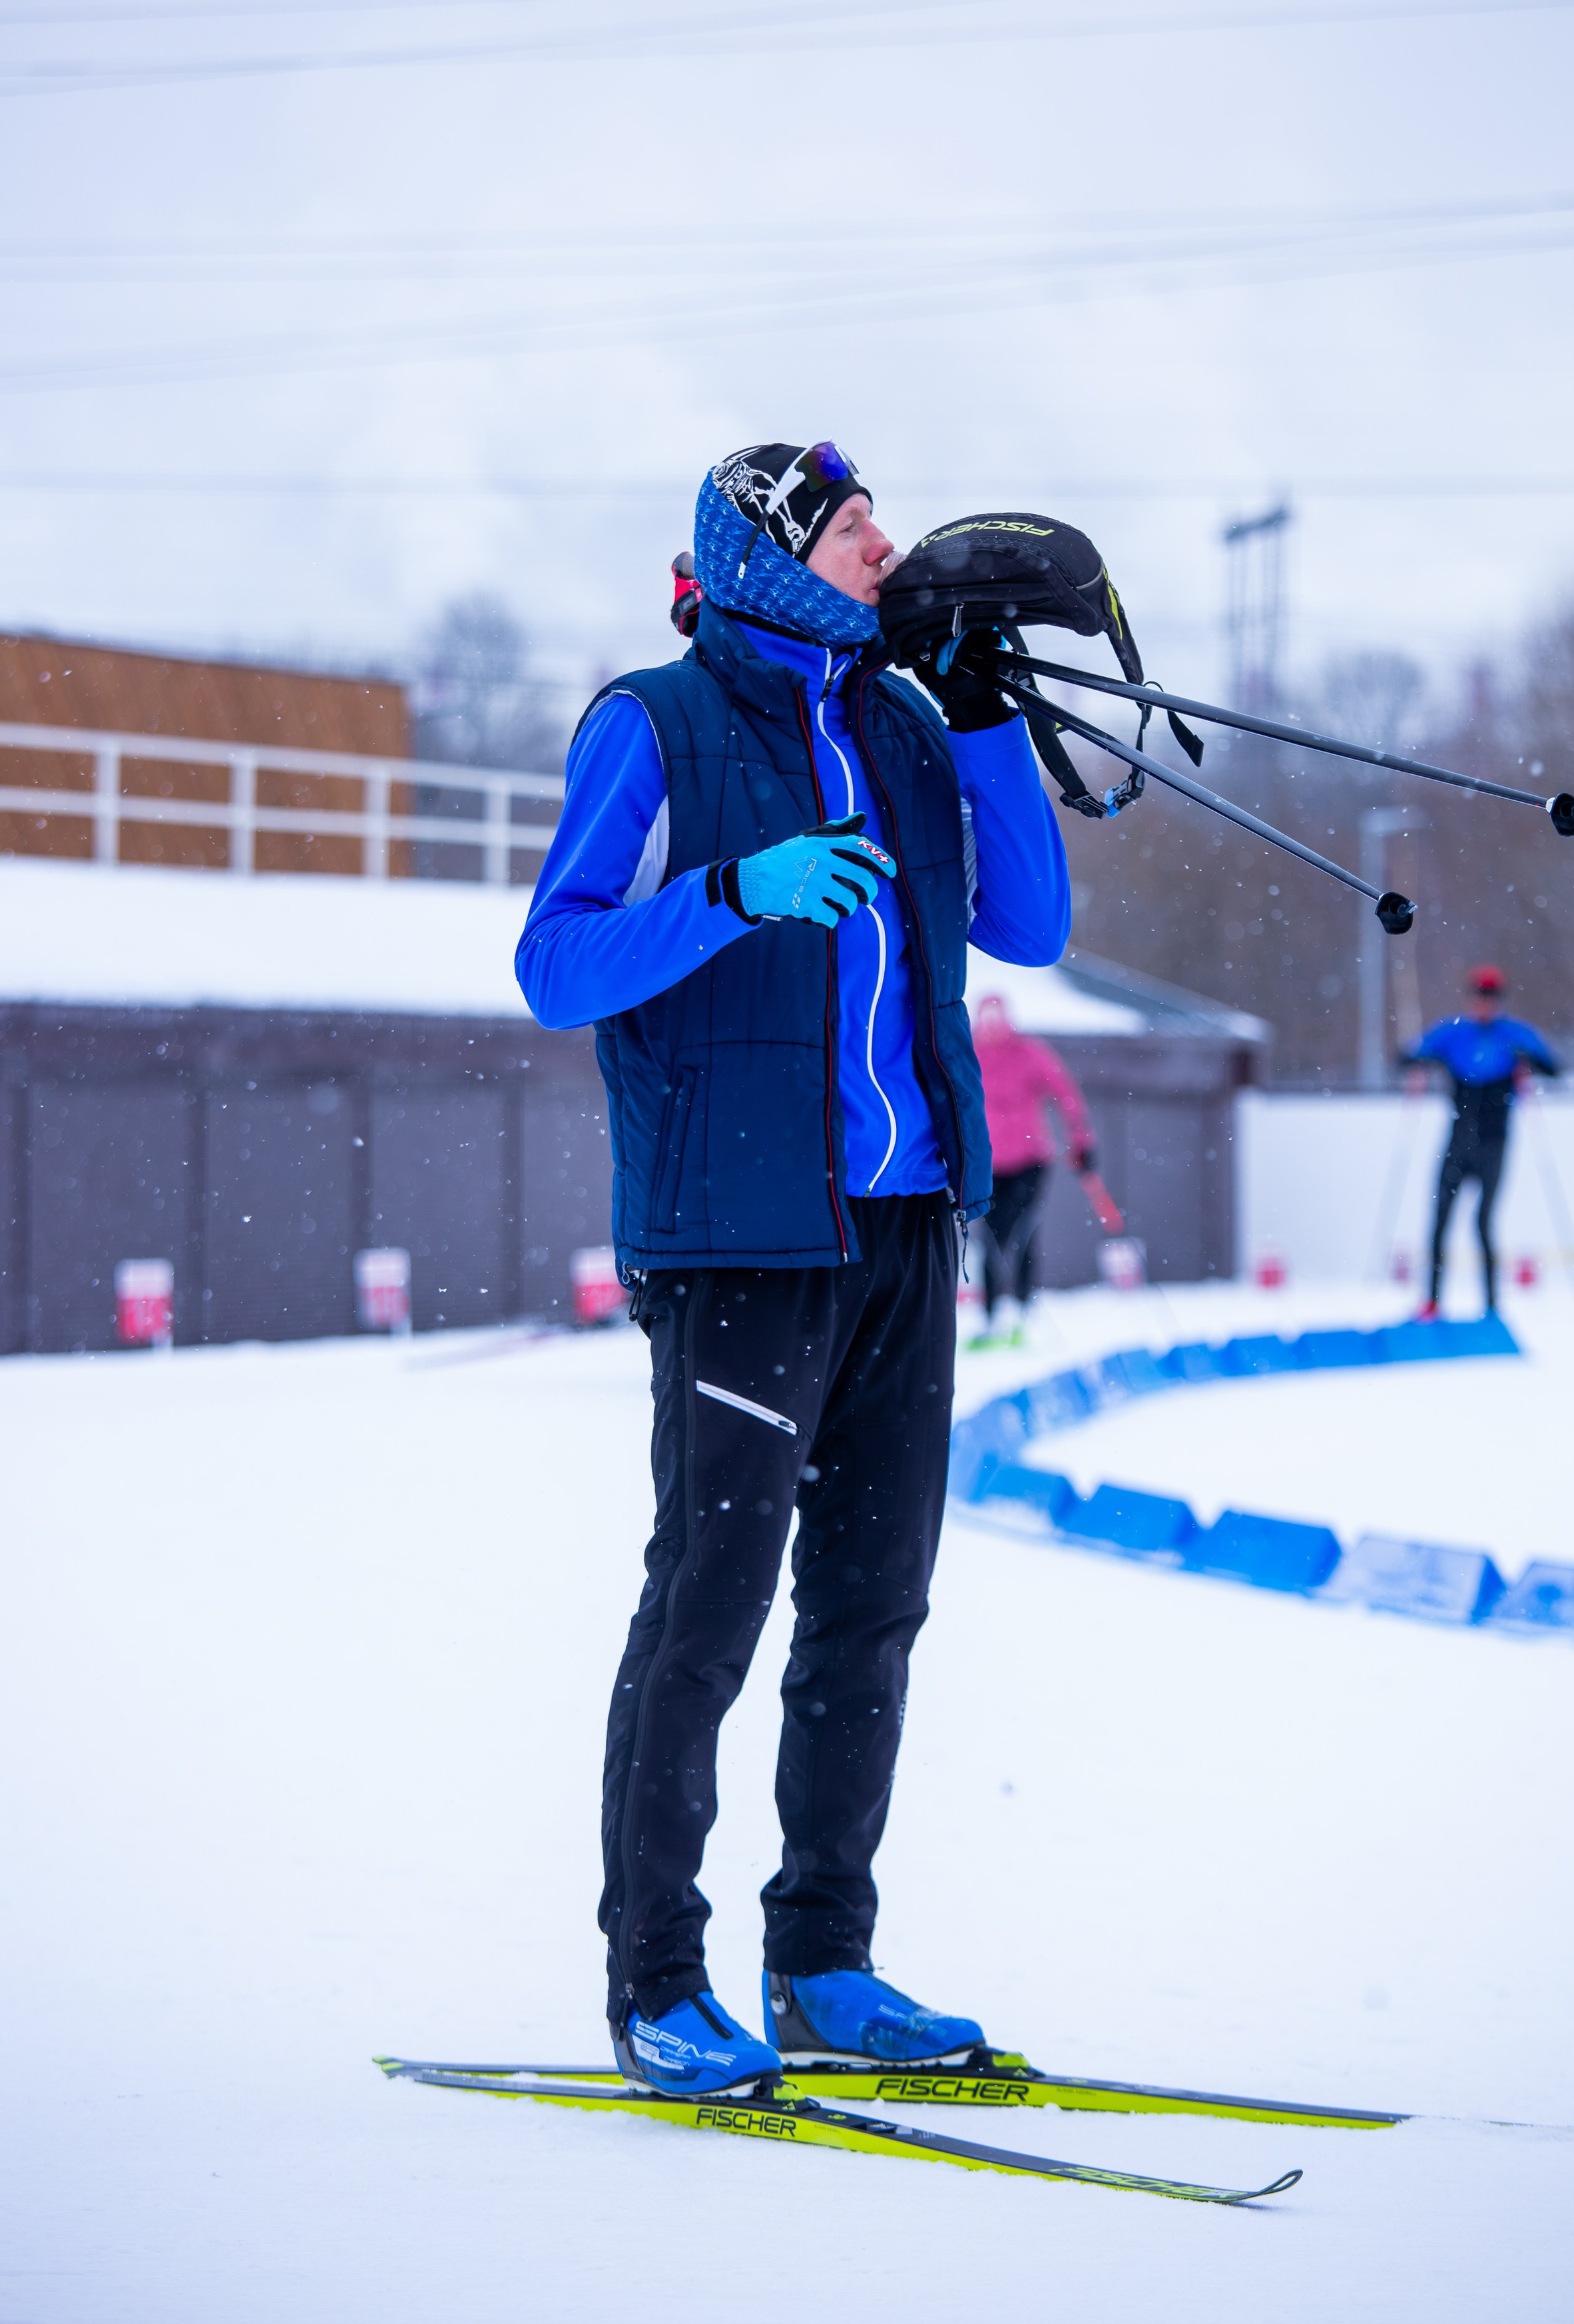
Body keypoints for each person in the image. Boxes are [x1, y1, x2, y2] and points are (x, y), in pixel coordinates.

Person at [515, 443, 1072, 2096]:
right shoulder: (655, 723)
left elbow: (1027, 925)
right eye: (850, 527)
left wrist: (979, 723)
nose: (885, 545)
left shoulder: (899, 721)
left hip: (903, 1222)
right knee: (705, 1608)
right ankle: (656, 1982)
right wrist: (725, 891)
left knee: (869, 1610)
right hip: (740, 1235)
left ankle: (823, 1959)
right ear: (766, 554)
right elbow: (555, 959)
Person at [1400, 965, 1559, 1318]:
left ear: (1499, 1001)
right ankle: (1432, 1302)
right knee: (1440, 1218)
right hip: (1458, 1141)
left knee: (1483, 1222)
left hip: (1494, 1142)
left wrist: (1530, 1059)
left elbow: (1553, 1065)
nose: (1484, 1004)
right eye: (1479, 996)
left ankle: (1490, 1307)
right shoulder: (1453, 1033)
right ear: (1471, 998)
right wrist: (1422, 1060)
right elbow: (1409, 1055)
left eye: (1491, 997)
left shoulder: (1514, 1034)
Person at [969, 993, 1095, 1346]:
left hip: (1030, 1161)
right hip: (988, 1164)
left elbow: (1065, 1093)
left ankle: (1024, 1312)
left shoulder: (1027, 1052)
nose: (992, 1025)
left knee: (1022, 1232)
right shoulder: (971, 1053)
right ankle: (991, 1316)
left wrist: (1082, 1140)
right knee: (991, 1238)